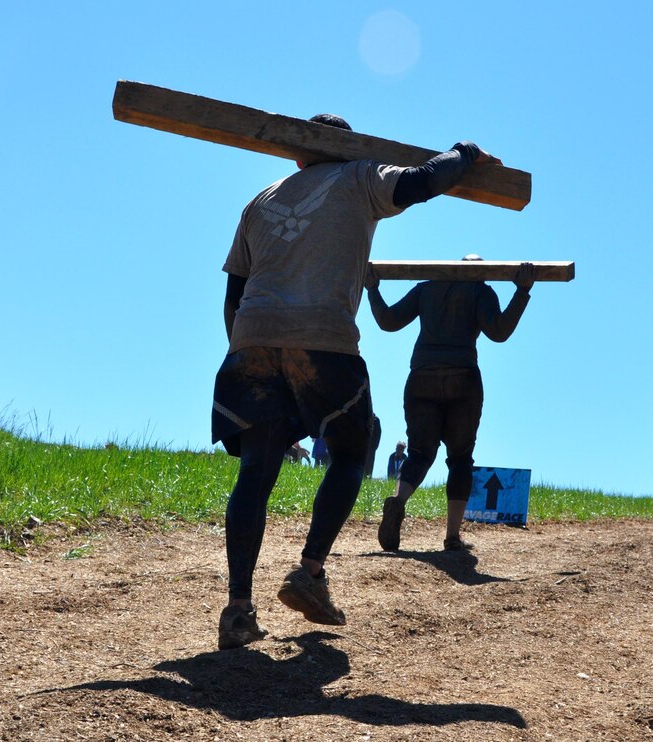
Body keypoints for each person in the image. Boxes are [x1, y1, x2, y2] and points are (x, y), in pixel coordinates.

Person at [211, 112, 499, 649]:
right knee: (352, 447)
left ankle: (238, 611)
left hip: (251, 340)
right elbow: (422, 181)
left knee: (257, 468)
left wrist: (249, 355)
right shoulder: (360, 177)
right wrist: (465, 150)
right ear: (347, 148)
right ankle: (310, 573)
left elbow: (233, 294)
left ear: (298, 155)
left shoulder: (260, 200)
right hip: (323, 337)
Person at [367, 255, 535, 552]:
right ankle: (452, 537)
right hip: (462, 378)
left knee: (419, 453)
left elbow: (388, 321)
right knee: (460, 459)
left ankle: (398, 501)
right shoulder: (480, 290)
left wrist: (373, 289)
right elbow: (499, 332)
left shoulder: (427, 288)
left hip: (422, 377)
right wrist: (521, 292)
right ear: (479, 272)